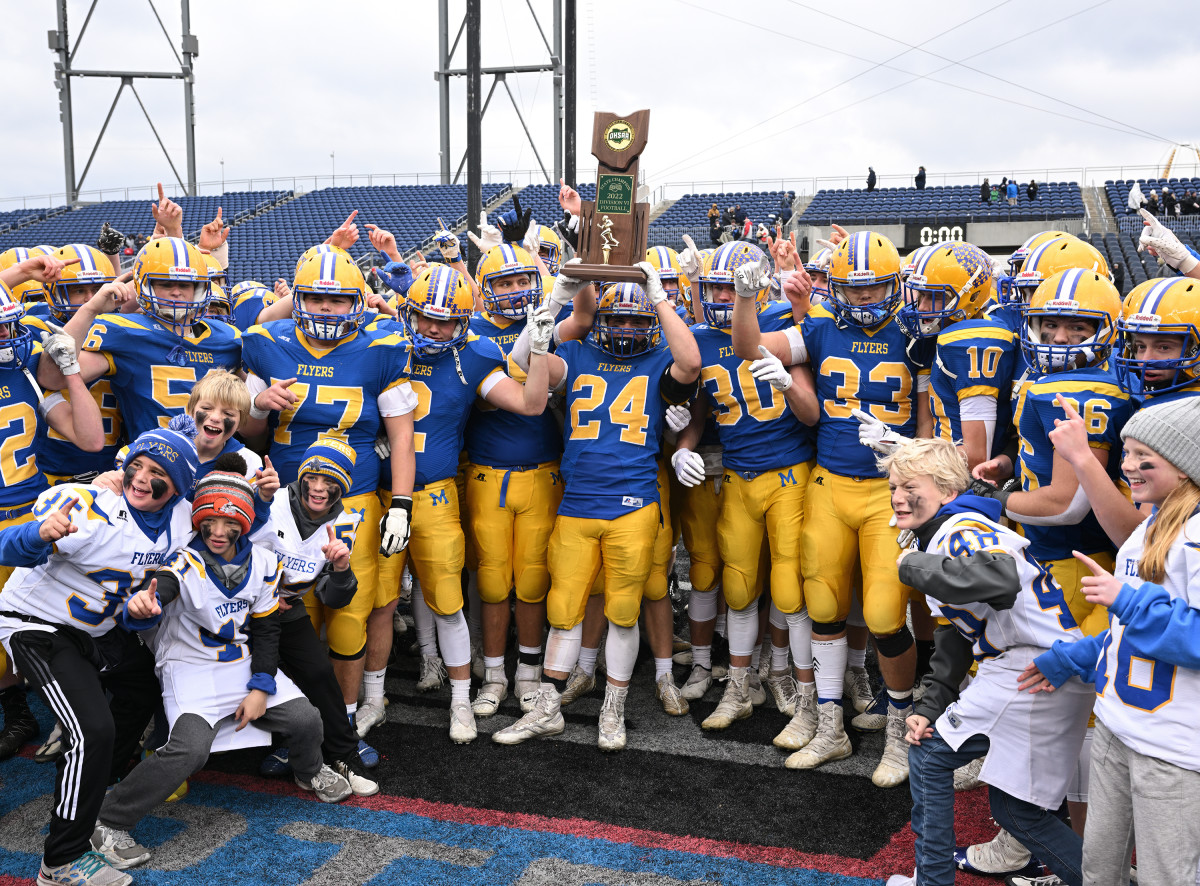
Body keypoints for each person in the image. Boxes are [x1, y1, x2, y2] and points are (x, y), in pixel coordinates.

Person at [88, 454, 355, 875]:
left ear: (245, 523)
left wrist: (259, 686)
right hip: (190, 665)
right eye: (209, 521)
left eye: (230, 523)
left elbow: (268, 631)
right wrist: (145, 603)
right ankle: (108, 818)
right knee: (189, 751)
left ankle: (308, 771)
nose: (218, 531)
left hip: (240, 662)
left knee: (307, 720)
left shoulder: (265, 563)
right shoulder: (181, 561)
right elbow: (160, 592)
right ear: (197, 521)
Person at [732, 230, 929, 787]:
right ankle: (830, 724)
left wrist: (912, 459)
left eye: (874, 290)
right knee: (823, 606)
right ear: (833, 287)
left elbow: (928, 422)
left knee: (889, 616)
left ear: (895, 286)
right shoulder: (820, 327)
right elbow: (749, 347)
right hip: (829, 483)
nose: (864, 300)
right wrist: (747, 298)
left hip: (889, 490)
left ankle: (896, 729)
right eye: (852, 289)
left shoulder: (916, 335)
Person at [492, 263, 701, 751]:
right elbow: (521, 366)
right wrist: (550, 309)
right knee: (563, 609)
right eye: (618, 319)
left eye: (637, 319)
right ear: (602, 319)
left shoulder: (659, 360)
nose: (627, 328)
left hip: (633, 504)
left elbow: (690, 364)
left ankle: (615, 705)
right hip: (578, 503)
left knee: (624, 611)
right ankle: (547, 706)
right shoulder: (578, 353)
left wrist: (660, 296)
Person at [882, 438, 1093, 886]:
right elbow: (954, 635)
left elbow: (1000, 579)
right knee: (1018, 812)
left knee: (929, 757)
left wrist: (911, 566)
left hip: (1033, 666)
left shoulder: (959, 529)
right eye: (893, 485)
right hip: (1045, 667)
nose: (898, 496)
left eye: (909, 486)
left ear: (946, 490)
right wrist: (930, 704)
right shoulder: (952, 528)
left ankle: (932, 881)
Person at [0, 424, 200, 886]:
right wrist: (37, 534)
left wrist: (142, 612)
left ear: (178, 488)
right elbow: (6, 546)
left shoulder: (180, 520)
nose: (141, 478)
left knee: (143, 685)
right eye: (138, 466)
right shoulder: (91, 505)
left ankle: (93, 794)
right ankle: (61, 861)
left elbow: (135, 610)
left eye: (158, 473)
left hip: (97, 629)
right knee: (92, 729)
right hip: (38, 624)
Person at [240, 248, 417, 756]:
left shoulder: (383, 346)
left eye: (337, 300)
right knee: (286, 615)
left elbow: (401, 438)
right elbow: (250, 434)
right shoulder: (266, 343)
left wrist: (400, 503)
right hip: (281, 503)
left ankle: (342, 720)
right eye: (314, 297)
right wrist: (258, 406)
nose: (324, 310)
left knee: (347, 613)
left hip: (353, 502)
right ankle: (296, 723)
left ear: (356, 302)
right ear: (295, 298)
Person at [1029, 395, 1200, 885]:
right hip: (1118, 725)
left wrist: (1128, 601)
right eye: (1127, 454)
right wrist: (1077, 656)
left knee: (1167, 875)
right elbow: (1128, 636)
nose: (1129, 467)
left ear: (1187, 469)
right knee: (1099, 868)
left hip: (1173, 749)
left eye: (1147, 459)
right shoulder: (1153, 523)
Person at [672, 241, 819, 744]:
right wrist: (683, 444)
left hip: (788, 476)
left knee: (789, 587)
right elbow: (699, 413)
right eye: (713, 286)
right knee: (737, 589)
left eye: (729, 286)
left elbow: (811, 413)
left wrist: (788, 384)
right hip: (736, 475)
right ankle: (737, 685)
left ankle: (793, 682)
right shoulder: (695, 339)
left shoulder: (776, 321)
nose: (721, 295)